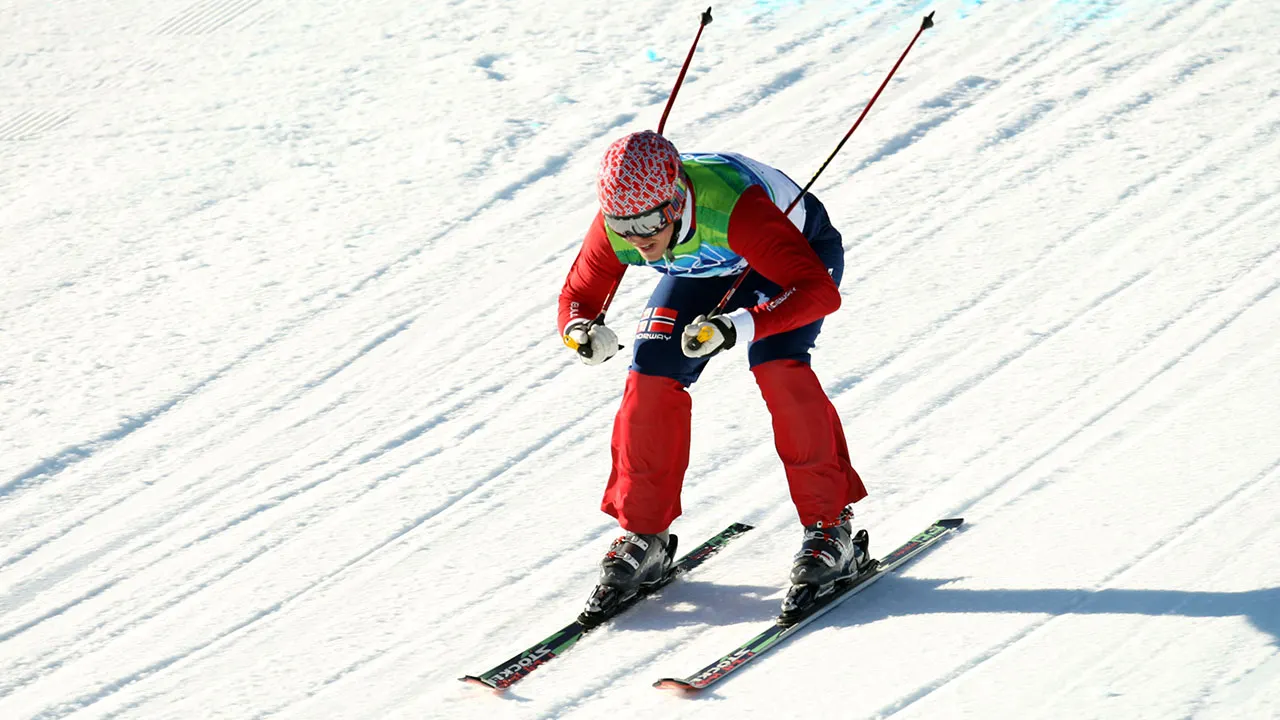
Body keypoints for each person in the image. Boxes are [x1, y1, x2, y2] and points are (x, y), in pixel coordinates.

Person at [558, 130, 869, 617]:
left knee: (778, 368)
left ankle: (831, 528)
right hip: (703, 270)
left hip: (790, 265)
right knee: (649, 380)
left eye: (643, 222)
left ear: (676, 200)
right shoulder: (624, 224)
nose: (637, 240)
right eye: (621, 225)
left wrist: (738, 325)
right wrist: (579, 330)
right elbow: (579, 294)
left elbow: (818, 292)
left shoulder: (734, 207)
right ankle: (645, 533)